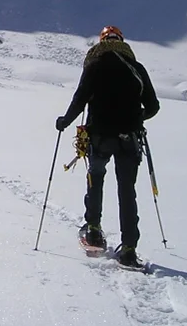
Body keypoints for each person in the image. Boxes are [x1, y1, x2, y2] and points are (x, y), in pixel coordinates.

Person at [56, 25, 159, 267]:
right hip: (129, 139)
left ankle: (93, 229)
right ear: (122, 42)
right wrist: (135, 118)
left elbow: (80, 100)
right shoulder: (137, 69)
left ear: (101, 43)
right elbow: (153, 106)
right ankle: (130, 248)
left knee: (96, 178)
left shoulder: (94, 66)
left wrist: (64, 121)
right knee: (127, 191)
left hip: (100, 137)